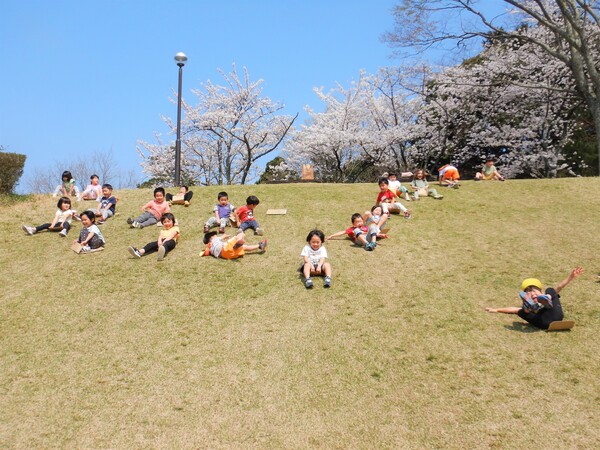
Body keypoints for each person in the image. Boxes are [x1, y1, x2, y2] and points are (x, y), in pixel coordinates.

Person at [485, 267, 584, 330]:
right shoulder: (531, 301)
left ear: (541, 291)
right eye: (529, 292)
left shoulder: (546, 293)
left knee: (551, 290)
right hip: (542, 322)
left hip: (554, 315)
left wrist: (571, 277)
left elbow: (560, 287)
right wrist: (497, 309)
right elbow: (514, 309)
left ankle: (545, 299)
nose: (532, 293)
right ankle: (529, 308)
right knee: (523, 312)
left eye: (534, 291)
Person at [201, 231, 267, 259]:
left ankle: (260, 245)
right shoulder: (214, 239)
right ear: (211, 237)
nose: (216, 236)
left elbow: (206, 253)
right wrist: (225, 236)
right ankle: (236, 244)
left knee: (243, 247)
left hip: (226, 256)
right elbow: (223, 236)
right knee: (241, 234)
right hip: (225, 248)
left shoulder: (209, 248)